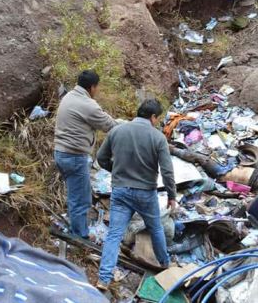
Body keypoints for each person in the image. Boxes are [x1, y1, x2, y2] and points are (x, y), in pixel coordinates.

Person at [96, 99, 176, 290]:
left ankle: (103, 279)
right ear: (153, 117)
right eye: (157, 119)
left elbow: (101, 158)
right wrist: (172, 195)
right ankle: (165, 264)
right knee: (156, 227)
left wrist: (115, 170)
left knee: (114, 234)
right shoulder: (157, 138)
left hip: (121, 191)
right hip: (145, 193)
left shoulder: (117, 131)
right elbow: (167, 171)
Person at [54, 70, 116, 239]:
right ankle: (80, 235)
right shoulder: (87, 104)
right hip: (74, 156)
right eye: (97, 87)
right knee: (81, 200)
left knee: (78, 194)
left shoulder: (69, 96)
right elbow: (108, 124)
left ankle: (77, 228)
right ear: (92, 87)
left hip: (61, 153)